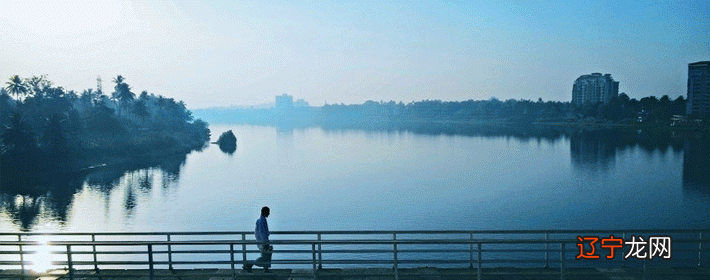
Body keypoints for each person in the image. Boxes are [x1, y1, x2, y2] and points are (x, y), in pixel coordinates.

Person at [243, 206, 272, 273]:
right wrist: (265, 243)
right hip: (263, 242)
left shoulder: (262, 220)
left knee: (266, 256)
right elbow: (262, 233)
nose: (269, 213)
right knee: (265, 257)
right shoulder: (261, 221)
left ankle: (265, 268)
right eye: (268, 212)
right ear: (264, 212)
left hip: (263, 241)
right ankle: (251, 263)